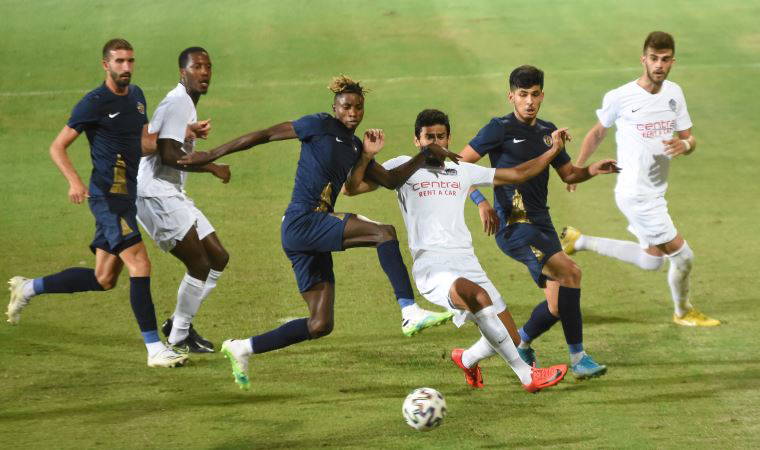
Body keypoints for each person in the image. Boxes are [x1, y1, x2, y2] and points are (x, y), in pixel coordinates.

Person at [175, 76, 459, 389]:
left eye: (358, 107)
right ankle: (409, 310)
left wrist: (423, 155)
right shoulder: (319, 125)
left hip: (307, 232)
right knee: (384, 233)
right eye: (346, 106)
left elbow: (390, 181)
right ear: (335, 108)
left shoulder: (354, 146)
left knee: (320, 323)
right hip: (304, 221)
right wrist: (211, 155)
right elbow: (265, 134)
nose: (352, 112)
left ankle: (242, 347)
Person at [343, 109, 570, 392]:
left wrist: (553, 151)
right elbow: (351, 189)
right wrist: (366, 155)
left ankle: (466, 358)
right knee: (478, 296)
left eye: (441, 136)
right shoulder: (402, 166)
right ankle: (528, 376)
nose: (435, 142)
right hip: (433, 268)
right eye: (429, 137)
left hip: (468, 263)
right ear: (417, 140)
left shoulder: (461, 169)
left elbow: (517, 173)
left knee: (510, 339)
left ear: (449, 138)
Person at [6, 39, 188, 368]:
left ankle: (29, 288)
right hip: (108, 199)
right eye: (119, 61)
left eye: (130, 60)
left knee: (104, 278)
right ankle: (155, 349)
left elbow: (143, 143)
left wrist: (183, 134)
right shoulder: (93, 103)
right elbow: (57, 146)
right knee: (140, 264)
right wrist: (74, 182)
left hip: (126, 197)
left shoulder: (136, 97)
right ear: (106, 65)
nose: (126, 67)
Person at [459, 65, 619, 379]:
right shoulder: (498, 129)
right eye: (523, 95)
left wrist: (592, 170)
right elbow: (457, 167)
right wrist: (481, 202)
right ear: (511, 97)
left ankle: (522, 343)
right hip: (515, 225)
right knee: (571, 272)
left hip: (541, 223)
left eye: (534, 94)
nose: (529, 101)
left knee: (558, 305)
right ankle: (579, 359)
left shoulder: (548, 131)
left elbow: (568, 174)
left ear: (542, 95)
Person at [561, 31, 719, 327]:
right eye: (654, 58)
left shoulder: (675, 93)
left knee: (651, 260)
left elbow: (690, 139)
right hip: (636, 194)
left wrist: (684, 145)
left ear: (672, 61)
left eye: (665, 59)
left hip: (656, 191)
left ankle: (579, 241)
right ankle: (683, 312)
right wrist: (576, 169)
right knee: (683, 257)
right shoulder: (620, 96)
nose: (659, 65)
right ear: (643, 59)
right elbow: (597, 132)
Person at [136, 47, 230, 353]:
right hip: (155, 193)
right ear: (182, 72)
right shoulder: (178, 102)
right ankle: (178, 336)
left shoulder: (185, 103)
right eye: (197, 66)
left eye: (208, 66)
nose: (204, 72)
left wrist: (188, 132)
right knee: (199, 263)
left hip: (171, 191)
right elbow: (168, 154)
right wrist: (212, 165)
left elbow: (166, 139)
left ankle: (179, 322)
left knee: (218, 257)